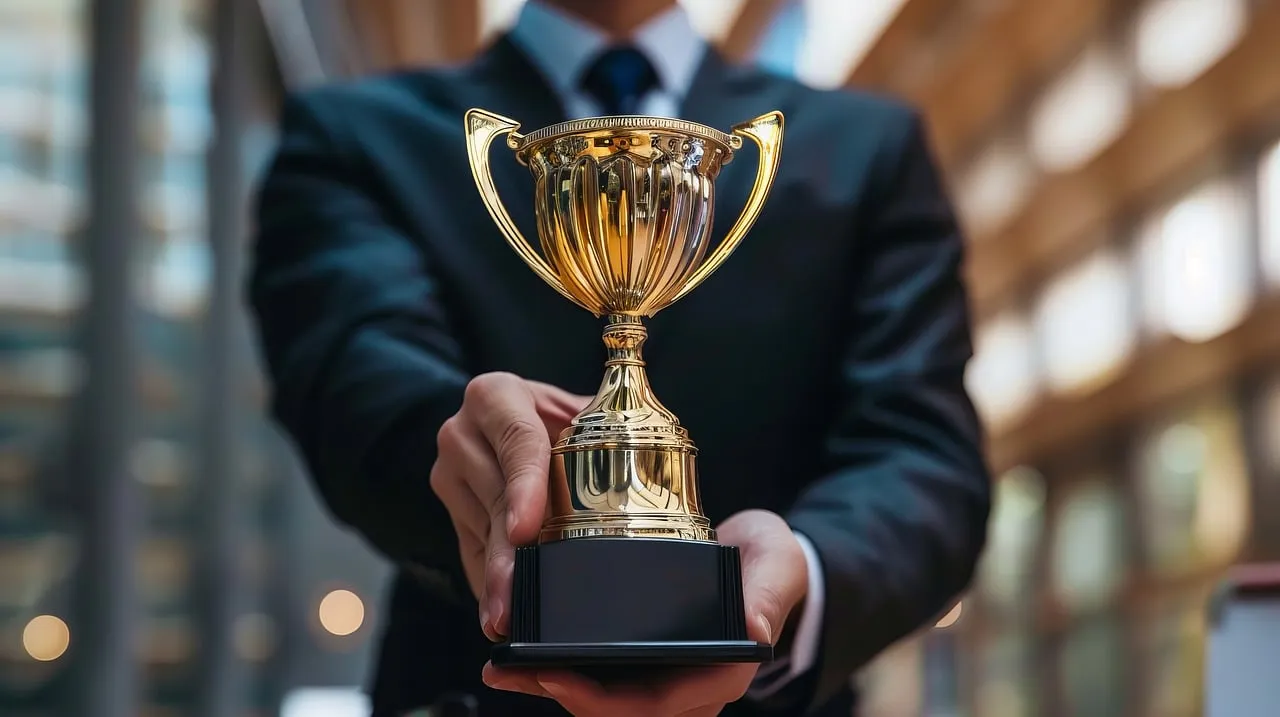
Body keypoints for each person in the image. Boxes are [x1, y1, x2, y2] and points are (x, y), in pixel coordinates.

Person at [247, 0, 992, 715]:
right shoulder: (353, 137)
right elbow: (352, 373)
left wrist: (798, 578)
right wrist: (473, 460)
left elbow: (923, 453)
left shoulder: (870, 149)